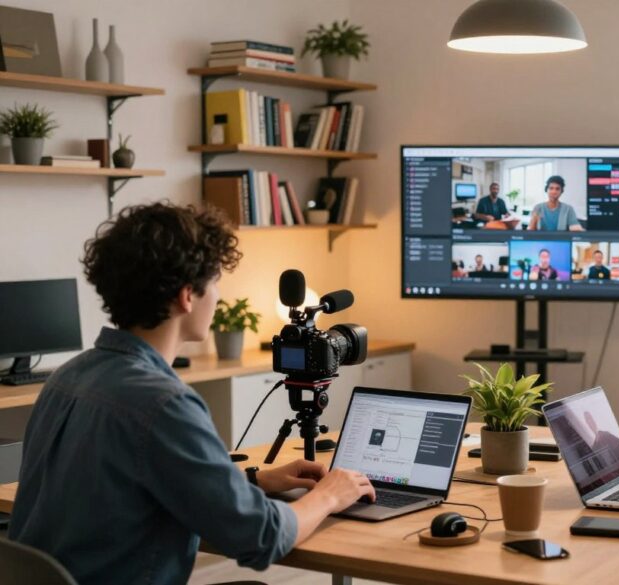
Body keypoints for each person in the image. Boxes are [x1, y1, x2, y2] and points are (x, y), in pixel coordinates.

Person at [10, 202, 376, 585]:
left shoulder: (67, 378)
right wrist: (330, 495)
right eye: (215, 282)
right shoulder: (162, 404)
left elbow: (127, 487)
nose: (218, 296)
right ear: (187, 296)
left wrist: (254, 483)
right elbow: (262, 537)